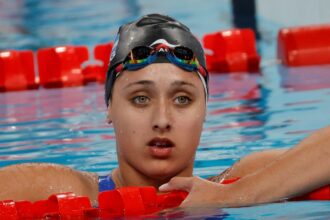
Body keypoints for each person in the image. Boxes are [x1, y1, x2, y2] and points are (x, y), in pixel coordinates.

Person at [0, 14, 330, 208]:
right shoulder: (68, 190)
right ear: (109, 107)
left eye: (183, 99)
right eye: (140, 99)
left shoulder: (241, 180)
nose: (162, 121)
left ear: (205, 111)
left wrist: (233, 196)